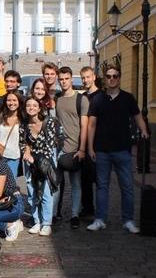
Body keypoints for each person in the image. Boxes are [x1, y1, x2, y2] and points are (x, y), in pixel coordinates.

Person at [87, 65, 149, 233]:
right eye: (108, 76)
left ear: (119, 78)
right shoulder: (98, 99)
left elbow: (137, 116)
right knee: (102, 186)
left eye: (115, 76)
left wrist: (143, 130)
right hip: (101, 150)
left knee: (127, 187)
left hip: (123, 150)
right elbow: (91, 124)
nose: (112, 79)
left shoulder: (128, 98)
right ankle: (100, 219)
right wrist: (90, 147)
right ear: (104, 79)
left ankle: (128, 220)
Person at [53, 66, 89, 229]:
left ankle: (75, 214)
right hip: (58, 148)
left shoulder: (81, 99)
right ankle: (54, 214)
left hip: (75, 148)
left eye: (66, 78)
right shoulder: (57, 98)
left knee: (76, 183)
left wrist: (82, 149)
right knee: (56, 184)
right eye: (61, 79)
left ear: (71, 79)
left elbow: (84, 126)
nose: (64, 81)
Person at [20, 96, 59, 237]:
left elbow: (50, 146)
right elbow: (22, 143)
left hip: (44, 163)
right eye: (28, 105)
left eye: (34, 105)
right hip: (29, 163)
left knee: (46, 193)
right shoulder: (24, 124)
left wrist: (36, 159)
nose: (31, 108)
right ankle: (37, 221)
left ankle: (46, 223)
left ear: (39, 107)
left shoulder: (48, 122)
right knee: (32, 192)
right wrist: (27, 152)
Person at [0, 90, 24, 177]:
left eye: (14, 100)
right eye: (9, 100)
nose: (11, 103)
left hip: (14, 158)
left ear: (19, 102)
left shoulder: (22, 118)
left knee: (10, 185)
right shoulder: (0, 116)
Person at [79, 66, 101, 219]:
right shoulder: (82, 97)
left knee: (100, 180)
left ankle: (100, 211)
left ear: (94, 77)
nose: (85, 80)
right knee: (85, 180)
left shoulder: (102, 96)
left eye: (88, 77)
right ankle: (88, 209)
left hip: (99, 144)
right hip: (84, 144)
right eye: (83, 78)